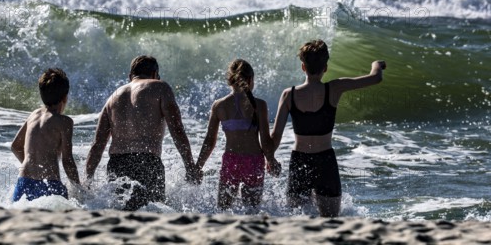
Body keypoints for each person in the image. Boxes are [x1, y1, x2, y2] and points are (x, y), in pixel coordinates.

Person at [271, 40, 386, 217]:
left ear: (303, 67)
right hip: (325, 162)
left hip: (299, 162)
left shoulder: (289, 95)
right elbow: (376, 78)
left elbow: (275, 137)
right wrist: (376, 65)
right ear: (325, 67)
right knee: (331, 220)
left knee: (296, 219)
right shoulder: (334, 88)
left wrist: (269, 159)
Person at [85, 55, 201, 211]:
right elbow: (177, 130)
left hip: (117, 164)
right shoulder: (160, 87)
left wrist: (88, 181)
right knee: (153, 213)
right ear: (155, 74)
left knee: (122, 213)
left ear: (130, 75)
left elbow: (97, 145)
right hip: (147, 163)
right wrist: (190, 166)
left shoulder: (112, 98)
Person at [196, 59, 281, 210]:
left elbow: (209, 141)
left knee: (223, 209)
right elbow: (266, 142)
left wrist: (198, 167)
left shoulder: (219, 106)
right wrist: (271, 160)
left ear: (230, 80)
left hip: (231, 161)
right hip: (254, 162)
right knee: (252, 211)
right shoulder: (259, 105)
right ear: (250, 79)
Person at [11, 68, 80, 201]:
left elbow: (15, 146)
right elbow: (67, 161)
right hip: (49, 185)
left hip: (23, 182)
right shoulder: (64, 122)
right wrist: (79, 188)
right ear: (65, 97)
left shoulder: (33, 115)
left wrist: (32, 166)